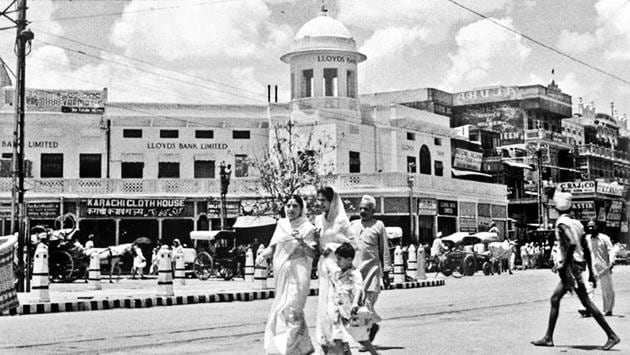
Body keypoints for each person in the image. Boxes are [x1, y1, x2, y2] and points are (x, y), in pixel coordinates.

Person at [531, 191, 620, 350]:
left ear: (557, 209)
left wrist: (565, 265)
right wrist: (591, 273)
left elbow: (571, 243)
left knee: (584, 302)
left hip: (571, 267)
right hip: (578, 265)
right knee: (556, 299)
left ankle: (612, 335)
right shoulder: (577, 223)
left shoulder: (561, 223)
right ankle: (548, 337)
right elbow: (585, 248)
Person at [258, 195, 317, 355]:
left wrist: (302, 241)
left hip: (299, 273)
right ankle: (303, 347)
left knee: (293, 309)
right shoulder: (282, 225)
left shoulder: (308, 228)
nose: (291, 209)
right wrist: (263, 254)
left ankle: (288, 350)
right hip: (282, 272)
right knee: (283, 310)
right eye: (288, 205)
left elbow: (312, 253)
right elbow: (273, 247)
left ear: (301, 208)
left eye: (294, 206)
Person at [314, 185, 355, 354]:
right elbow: (318, 248)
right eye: (318, 200)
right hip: (324, 269)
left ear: (332, 201)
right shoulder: (318, 220)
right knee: (324, 308)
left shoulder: (342, 221)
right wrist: (316, 242)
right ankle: (328, 344)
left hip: (339, 270)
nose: (320, 203)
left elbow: (353, 244)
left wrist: (333, 246)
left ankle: (343, 345)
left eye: (323, 200)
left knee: (335, 307)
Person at [350, 195, 391, 348]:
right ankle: (370, 327)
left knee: (367, 305)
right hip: (355, 274)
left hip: (372, 272)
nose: (362, 211)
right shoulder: (353, 225)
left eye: (366, 209)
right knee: (357, 306)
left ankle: (365, 338)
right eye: (360, 208)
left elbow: (384, 250)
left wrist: (387, 272)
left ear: (373, 210)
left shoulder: (379, 225)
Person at [330, 242, 378, 355]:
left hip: (351, 311)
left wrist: (355, 303)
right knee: (339, 337)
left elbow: (358, 288)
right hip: (339, 312)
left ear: (349, 260)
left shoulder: (354, 274)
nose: (337, 262)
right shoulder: (338, 273)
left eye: (339, 259)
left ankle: (374, 353)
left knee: (361, 338)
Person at [578, 220, 615, 317]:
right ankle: (588, 308)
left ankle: (608, 309)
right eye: (589, 226)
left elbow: (611, 251)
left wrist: (611, 262)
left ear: (597, 226)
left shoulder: (604, 238)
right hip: (590, 267)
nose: (590, 228)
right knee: (588, 288)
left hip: (604, 267)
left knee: (607, 290)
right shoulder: (586, 239)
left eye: (592, 226)